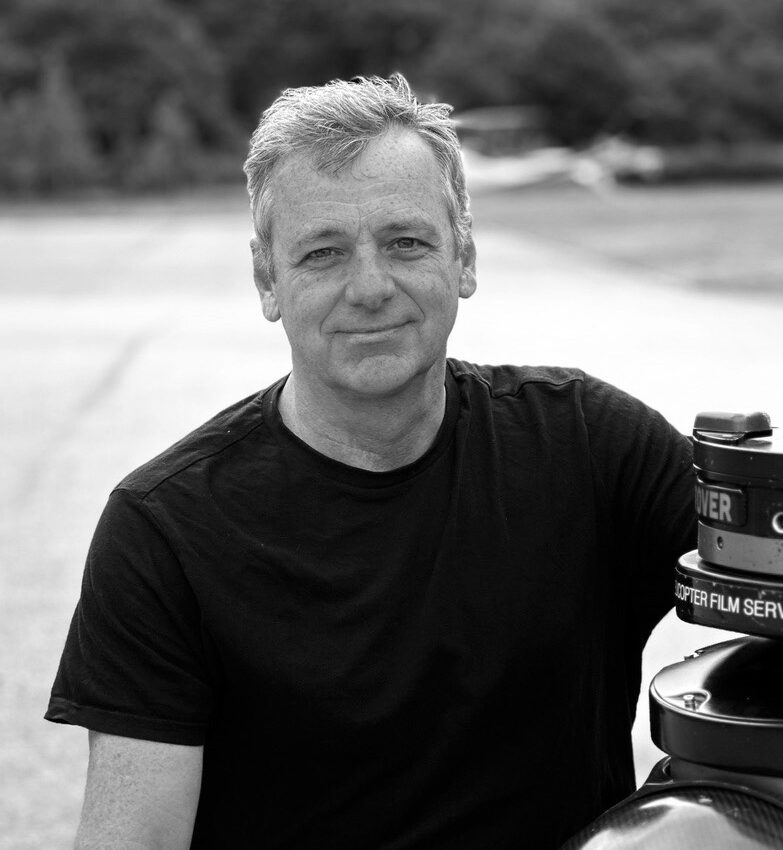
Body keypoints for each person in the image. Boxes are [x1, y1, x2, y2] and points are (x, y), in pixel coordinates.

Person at [46, 74, 696, 849]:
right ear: (267, 280)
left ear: (464, 258)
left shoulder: (593, 449)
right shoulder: (165, 531)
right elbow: (135, 840)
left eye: (406, 242)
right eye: (323, 253)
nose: (370, 287)